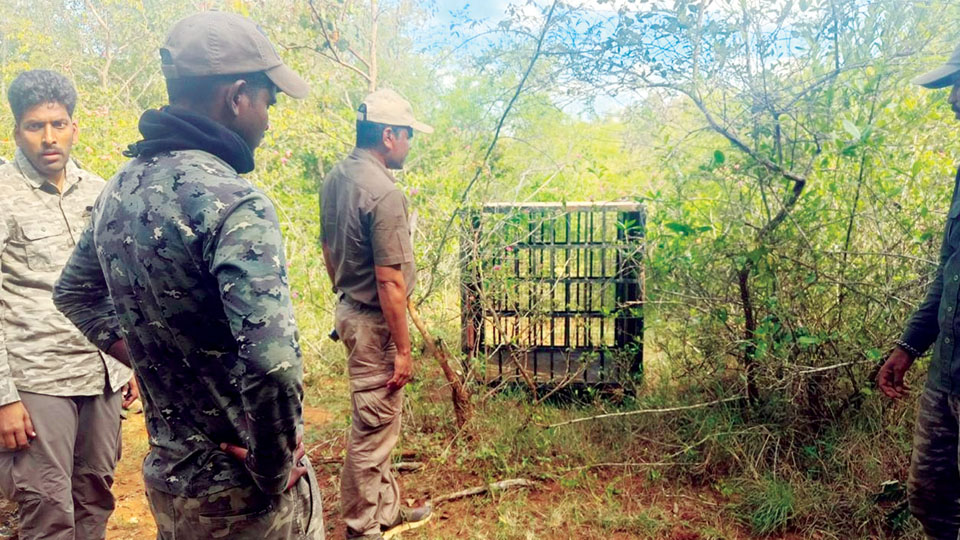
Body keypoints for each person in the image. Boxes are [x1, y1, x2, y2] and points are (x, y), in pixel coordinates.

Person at [52, 12, 322, 539]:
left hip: (172, 487)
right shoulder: (235, 202)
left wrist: (152, 362)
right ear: (238, 96)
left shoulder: (118, 189)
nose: (268, 117)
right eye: (269, 100)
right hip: (246, 500)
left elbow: (74, 293)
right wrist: (273, 467)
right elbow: (273, 365)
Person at [0, 69, 137, 540]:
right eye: (35, 126)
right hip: (37, 380)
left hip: (101, 375)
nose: (49, 137)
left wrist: (129, 362)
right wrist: (4, 398)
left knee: (95, 495)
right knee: (47, 508)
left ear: (74, 127)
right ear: (16, 131)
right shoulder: (3, 195)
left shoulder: (100, 191)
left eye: (58, 124)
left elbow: (116, 285)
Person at [321, 89, 433, 540]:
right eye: (407, 135)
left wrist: (344, 292)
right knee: (372, 429)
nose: (409, 143)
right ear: (388, 136)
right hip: (375, 322)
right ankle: (363, 527)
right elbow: (390, 281)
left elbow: (329, 249)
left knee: (382, 420)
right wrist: (403, 349)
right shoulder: (384, 192)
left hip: (352, 311)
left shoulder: (336, 178)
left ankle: (386, 509)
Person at [879, 43, 960, 540]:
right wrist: (909, 346)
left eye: (959, 87)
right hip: (947, 379)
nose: (952, 102)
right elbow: (946, 273)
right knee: (930, 502)